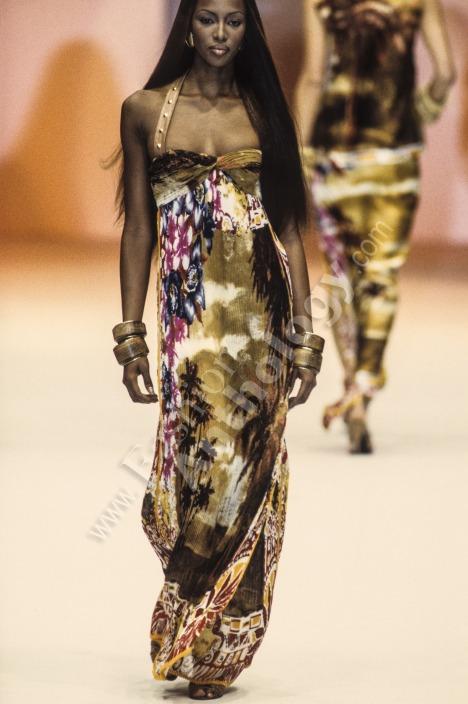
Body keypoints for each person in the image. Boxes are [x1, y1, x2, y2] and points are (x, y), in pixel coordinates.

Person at [110, 0, 325, 699]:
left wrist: (306, 335)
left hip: (261, 322)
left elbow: (288, 230)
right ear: (187, 25)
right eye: (209, 19)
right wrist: (130, 335)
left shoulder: (265, 113)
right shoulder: (144, 111)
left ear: (248, 28)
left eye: (235, 21)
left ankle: (219, 647)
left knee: (245, 472)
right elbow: (138, 229)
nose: (222, 34)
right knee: (192, 477)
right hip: (186, 326)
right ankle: (199, 621)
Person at [294, 0, 456, 453]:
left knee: (343, 275)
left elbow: (313, 77)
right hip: (394, 151)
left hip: (334, 153)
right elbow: (446, 72)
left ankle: (351, 380)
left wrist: (301, 154)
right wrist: (424, 108)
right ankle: (363, 390)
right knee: (380, 276)